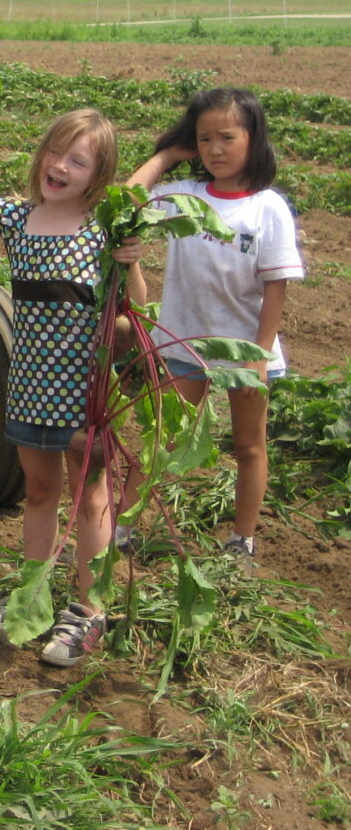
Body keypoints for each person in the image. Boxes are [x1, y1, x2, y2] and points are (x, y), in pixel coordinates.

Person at [0, 110, 145, 668]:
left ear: (99, 174)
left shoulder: (104, 228)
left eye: (78, 161)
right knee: (38, 492)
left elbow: (137, 309)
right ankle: (31, 597)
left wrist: (131, 263)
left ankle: (90, 611)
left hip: (84, 390)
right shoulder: (18, 217)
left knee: (89, 497)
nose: (60, 166)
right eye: (55, 152)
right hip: (30, 382)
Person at [128, 87, 302, 562]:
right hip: (184, 343)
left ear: (253, 139)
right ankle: (122, 527)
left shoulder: (267, 207)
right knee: (161, 439)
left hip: (245, 351)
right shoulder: (183, 195)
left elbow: (276, 287)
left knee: (248, 446)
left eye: (227, 137)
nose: (215, 149)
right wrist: (167, 155)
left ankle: (241, 540)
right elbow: (128, 200)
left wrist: (258, 356)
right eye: (204, 139)